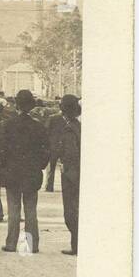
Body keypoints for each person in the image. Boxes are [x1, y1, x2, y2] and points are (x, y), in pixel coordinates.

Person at [0, 89, 50, 254]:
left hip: (12, 173)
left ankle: (12, 243)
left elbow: (1, 151)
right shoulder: (38, 127)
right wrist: (39, 166)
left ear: (16, 105)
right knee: (30, 210)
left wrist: (3, 169)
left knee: (13, 209)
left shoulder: (7, 125)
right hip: (31, 173)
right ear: (31, 106)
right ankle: (30, 245)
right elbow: (46, 151)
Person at [58, 94, 81, 255]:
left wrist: (64, 167)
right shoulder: (79, 126)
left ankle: (76, 245)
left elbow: (70, 154)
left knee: (71, 211)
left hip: (71, 174)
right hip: (79, 171)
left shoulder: (68, 129)